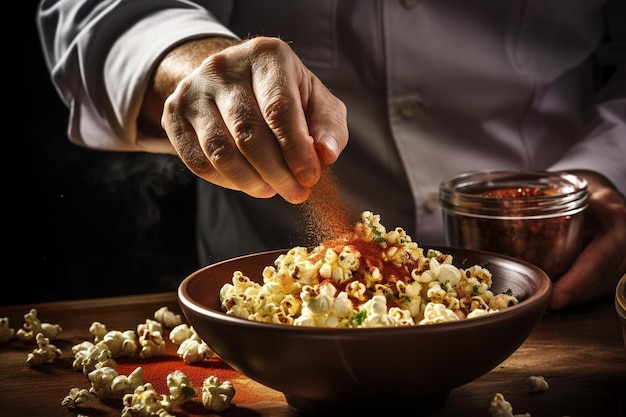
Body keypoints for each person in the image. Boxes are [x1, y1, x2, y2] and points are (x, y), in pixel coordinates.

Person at [36, 1, 626, 311]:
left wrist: (608, 168)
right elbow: (94, 10)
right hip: (268, 312)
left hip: (561, 253)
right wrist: (197, 63)